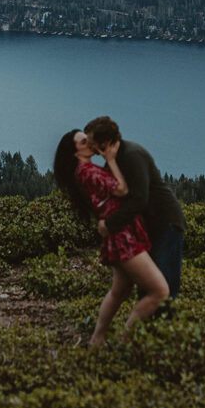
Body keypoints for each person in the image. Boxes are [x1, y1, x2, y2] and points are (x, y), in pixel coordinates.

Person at [53, 129, 169, 346]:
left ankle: (98, 339)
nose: (90, 142)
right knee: (159, 291)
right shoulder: (88, 171)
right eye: (83, 141)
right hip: (124, 238)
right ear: (75, 151)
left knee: (120, 291)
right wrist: (111, 160)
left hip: (118, 234)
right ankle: (124, 340)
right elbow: (122, 190)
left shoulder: (84, 170)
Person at [84, 116, 185, 301]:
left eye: (91, 143)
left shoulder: (132, 155)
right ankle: (145, 328)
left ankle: (163, 328)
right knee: (147, 287)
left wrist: (110, 224)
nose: (89, 148)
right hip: (147, 228)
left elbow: (140, 199)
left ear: (105, 142)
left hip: (165, 224)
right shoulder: (113, 160)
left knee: (165, 288)